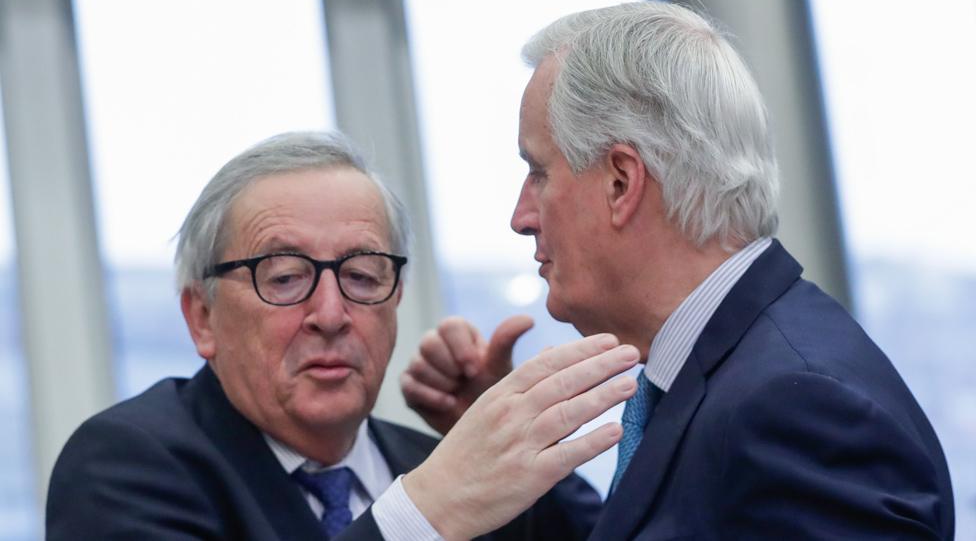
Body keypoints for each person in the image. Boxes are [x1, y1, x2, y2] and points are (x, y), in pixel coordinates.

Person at [401, 1, 955, 539]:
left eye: (538, 173)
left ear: (622, 181)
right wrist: (515, 454)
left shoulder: (796, 406)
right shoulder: (736, 373)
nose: (521, 218)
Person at [46, 131, 640, 540]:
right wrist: (421, 516)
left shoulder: (435, 464)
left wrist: (509, 438)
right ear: (201, 316)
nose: (330, 314)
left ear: (396, 299)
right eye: (283, 278)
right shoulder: (129, 464)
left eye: (361, 275)